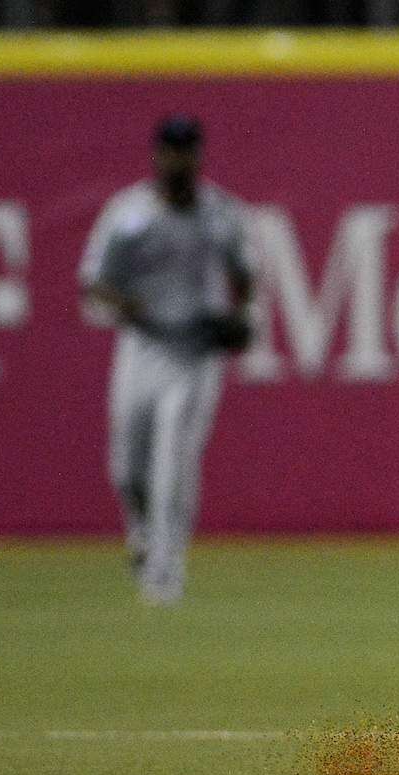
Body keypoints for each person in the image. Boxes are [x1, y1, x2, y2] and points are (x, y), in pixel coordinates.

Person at [79, 115, 253, 604]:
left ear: (198, 156)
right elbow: (94, 280)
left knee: (173, 459)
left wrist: (241, 315)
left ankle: (165, 571)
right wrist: (130, 305)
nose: (179, 160)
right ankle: (141, 532)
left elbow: (245, 275)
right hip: (143, 344)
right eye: (171, 150)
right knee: (126, 469)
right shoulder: (129, 214)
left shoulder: (219, 214)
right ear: (157, 155)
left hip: (195, 351)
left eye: (188, 150)